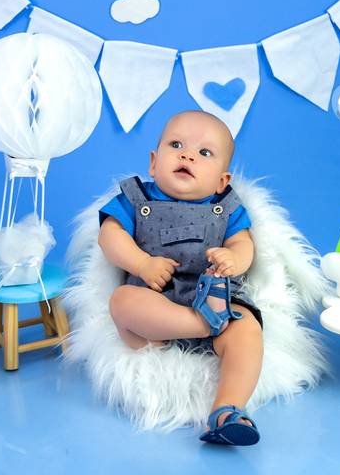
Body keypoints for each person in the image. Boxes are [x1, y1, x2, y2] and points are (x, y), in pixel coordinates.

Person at [98, 110, 263, 446]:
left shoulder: (227, 206)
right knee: (122, 302)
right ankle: (202, 325)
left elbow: (244, 243)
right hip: (158, 301)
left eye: (205, 152)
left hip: (214, 294)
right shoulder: (136, 199)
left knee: (247, 329)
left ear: (222, 181)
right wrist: (142, 263)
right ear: (153, 162)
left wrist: (234, 258)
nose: (187, 155)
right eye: (176, 145)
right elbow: (109, 236)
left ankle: (227, 409)